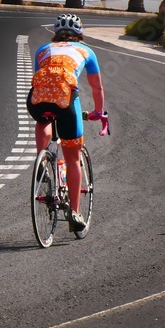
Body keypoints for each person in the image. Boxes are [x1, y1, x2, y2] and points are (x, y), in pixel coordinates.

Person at [26, 13, 106, 231]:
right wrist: (98, 112)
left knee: (44, 118)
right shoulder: (87, 51)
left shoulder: (42, 49)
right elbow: (97, 88)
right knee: (73, 157)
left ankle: (41, 158)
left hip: (36, 100)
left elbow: (40, 80)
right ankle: (75, 212)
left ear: (56, 33)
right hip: (66, 102)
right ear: (79, 34)